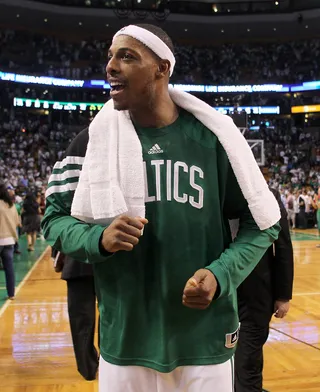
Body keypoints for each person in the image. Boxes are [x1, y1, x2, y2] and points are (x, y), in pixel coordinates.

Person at [42, 24, 281, 392]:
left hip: (204, 339)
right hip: (126, 340)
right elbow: (54, 220)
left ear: (162, 68)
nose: (110, 66)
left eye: (126, 56)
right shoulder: (91, 141)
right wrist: (98, 238)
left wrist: (220, 274)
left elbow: (264, 222)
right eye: (110, 56)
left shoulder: (216, 140)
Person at [235, 188, 294, 392]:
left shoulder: (268, 195)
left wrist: (283, 295)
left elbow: (283, 245)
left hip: (256, 295)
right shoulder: (213, 189)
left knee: (247, 361)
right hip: (217, 294)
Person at [60, 252, 99, 381]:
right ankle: (107, 363)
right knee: (110, 317)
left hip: (77, 262)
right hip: (110, 264)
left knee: (81, 321)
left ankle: (87, 368)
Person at [0, 183, 21, 300]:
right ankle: (11, 293)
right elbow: (17, 222)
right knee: (9, 268)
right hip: (10, 240)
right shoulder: (12, 205)